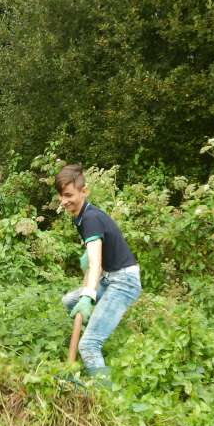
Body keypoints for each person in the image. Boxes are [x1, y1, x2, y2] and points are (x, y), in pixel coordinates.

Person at [56, 164, 141, 384]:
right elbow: (96, 254)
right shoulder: (82, 215)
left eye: (69, 195)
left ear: (84, 191)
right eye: (61, 195)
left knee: (89, 345)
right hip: (109, 275)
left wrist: (89, 295)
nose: (64, 201)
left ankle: (106, 398)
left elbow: (95, 263)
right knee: (69, 301)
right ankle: (97, 326)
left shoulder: (91, 218)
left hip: (123, 281)